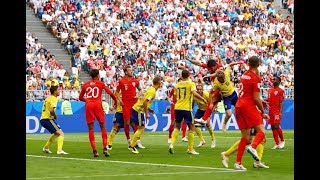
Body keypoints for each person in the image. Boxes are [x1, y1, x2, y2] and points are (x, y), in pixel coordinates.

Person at [233, 56, 269, 170]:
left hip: (238, 105)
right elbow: (255, 98)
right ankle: (253, 147)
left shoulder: (244, 75)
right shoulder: (255, 78)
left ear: (248, 64)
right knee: (262, 132)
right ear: (258, 65)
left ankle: (238, 163)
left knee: (246, 137)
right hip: (248, 106)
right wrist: (262, 111)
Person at [79, 69, 117, 157]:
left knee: (91, 128)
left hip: (89, 105)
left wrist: (88, 101)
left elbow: (80, 97)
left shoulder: (86, 84)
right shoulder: (101, 84)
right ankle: (104, 148)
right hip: (97, 104)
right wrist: (115, 101)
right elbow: (110, 93)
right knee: (102, 126)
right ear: (97, 76)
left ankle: (95, 151)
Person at [168, 70, 207, 155]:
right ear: (189, 75)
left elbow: (174, 96)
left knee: (177, 127)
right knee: (192, 127)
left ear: (182, 76)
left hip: (177, 107)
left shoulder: (177, 85)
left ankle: (171, 144)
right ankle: (190, 149)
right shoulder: (191, 83)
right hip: (186, 108)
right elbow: (194, 93)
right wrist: (202, 98)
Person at [202, 61, 244, 132]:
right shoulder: (216, 83)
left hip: (233, 94)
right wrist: (211, 103)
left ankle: (244, 124)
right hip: (226, 98)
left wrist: (238, 62)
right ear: (218, 79)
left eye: (223, 78)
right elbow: (210, 93)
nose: (223, 80)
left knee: (240, 109)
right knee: (229, 114)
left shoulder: (226, 74)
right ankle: (224, 124)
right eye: (221, 80)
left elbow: (230, 64)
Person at [128, 76, 162, 154]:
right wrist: (146, 113)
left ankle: (132, 145)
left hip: (137, 109)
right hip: (138, 110)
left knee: (140, 128)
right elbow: (145, 102)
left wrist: (149, 109)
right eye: (161, 82)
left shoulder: (150, 89)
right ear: (159, 83)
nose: (161, 84)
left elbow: (144, 101)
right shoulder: (152, 91)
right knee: (141, 128)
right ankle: (132, 146)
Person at [115, 65, 145, 148]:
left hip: (134, 105)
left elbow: (140, 90)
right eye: (129, 71)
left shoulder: (135, 81)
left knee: (135, 123)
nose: (131, 72)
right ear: (126, 72)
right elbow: (116, 92)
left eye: (131, 70)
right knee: (127, 123)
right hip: (125, 105)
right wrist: (120, 100)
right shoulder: (121, 81)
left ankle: (137, 142)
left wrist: (138, 95)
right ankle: (129, 141)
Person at [187, 59, 223, 124]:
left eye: (210, 69)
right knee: (211, 100)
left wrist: (208, 76)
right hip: (216, 87)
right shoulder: (210, 66)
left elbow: (217, 73)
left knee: (212, 98)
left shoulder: (220, 67)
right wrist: (189, 60)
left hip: (222, 87)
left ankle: (206, 118)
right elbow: (198, 63)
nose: (209, 70)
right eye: (208, 68)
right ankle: (206, 118)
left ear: (215, 66)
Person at [40, 85, 68, 155]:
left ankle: (46, 148)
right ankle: (59, 150)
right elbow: (51, 109)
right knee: (61, 133)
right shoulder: (54, 98)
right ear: (55, 92)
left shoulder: (48, 98)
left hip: (43, 119)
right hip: (48, 119)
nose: (59, 91)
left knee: (56, 133)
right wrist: (55, 115)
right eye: (58, 90)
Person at [192, 84, 216, 148]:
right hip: (200, 110)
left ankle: (213, 140)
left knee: (208, 124)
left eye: (200, 89)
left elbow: (213, 103)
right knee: (194, 124)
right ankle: (202, 140)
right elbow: (192, 103)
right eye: (198, 90)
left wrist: (210, 114)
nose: (199, 91)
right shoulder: (194, 96)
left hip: (207, 110)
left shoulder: (206, 94)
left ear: (202, 89)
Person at [166, 78, 188, 143]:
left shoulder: (186, 90)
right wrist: (170, 101)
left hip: (183, 107)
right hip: (175, 107)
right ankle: (170, 137)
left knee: (184, 121)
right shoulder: (174, 89)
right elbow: (168, 96)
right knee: (173, 122)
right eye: (179, 82)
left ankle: (183, 137)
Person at [266, 76, 285, 149]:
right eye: (273, 79)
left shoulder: (280, 91)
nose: (273, 80)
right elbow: (269, 99)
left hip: (276, 111)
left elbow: (281, 102)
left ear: (278, 81)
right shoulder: (269, 90)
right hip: (270, 111)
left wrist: (280, 112)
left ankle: (282, 141)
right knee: (273, 127)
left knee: (276, 125)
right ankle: (277, 143)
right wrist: (264, 101)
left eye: (274, 79)